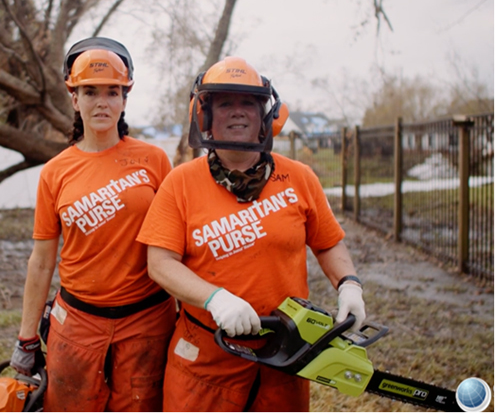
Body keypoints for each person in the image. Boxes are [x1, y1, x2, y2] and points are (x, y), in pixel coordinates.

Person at [137, 56, 366, 412]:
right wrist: (215, 299)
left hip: (285, 352)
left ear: (267, 115)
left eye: (248, 103)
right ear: (205, 116)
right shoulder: (180, 183)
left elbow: (328, 242)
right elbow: (160, 263)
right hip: (207, 353)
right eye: (225, 103)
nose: (238, 112)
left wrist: (349, 283)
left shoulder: (300, 177)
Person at [10, 37, 176, 412]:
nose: (102, 102)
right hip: (78, 323)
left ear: (124, 99)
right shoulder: (55, 172)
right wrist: (26, 338)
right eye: (90, 92)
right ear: (74, 99)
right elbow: (41, 261)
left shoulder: (154, 160)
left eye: (112, 92)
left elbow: (176, 245)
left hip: (148, 320)